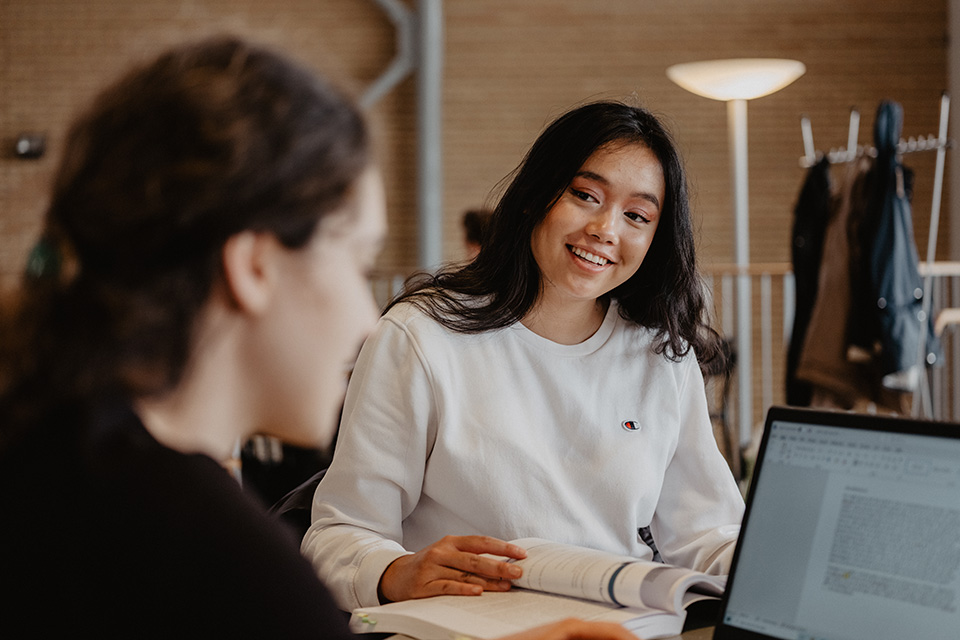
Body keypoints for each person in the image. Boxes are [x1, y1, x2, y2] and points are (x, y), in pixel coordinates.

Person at [0, 37, 634, 640]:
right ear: (253, 268)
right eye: (355, 262)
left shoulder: (56, 458)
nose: (366, 320)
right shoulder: (213, 556)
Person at [303, 101, 746, 611]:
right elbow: (338, 537)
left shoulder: (660, 355)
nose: (606, 229)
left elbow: (708, 534)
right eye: (585, 195)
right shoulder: (421, 336)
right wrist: (397, 572)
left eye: (636, 216)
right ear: (537, 196)